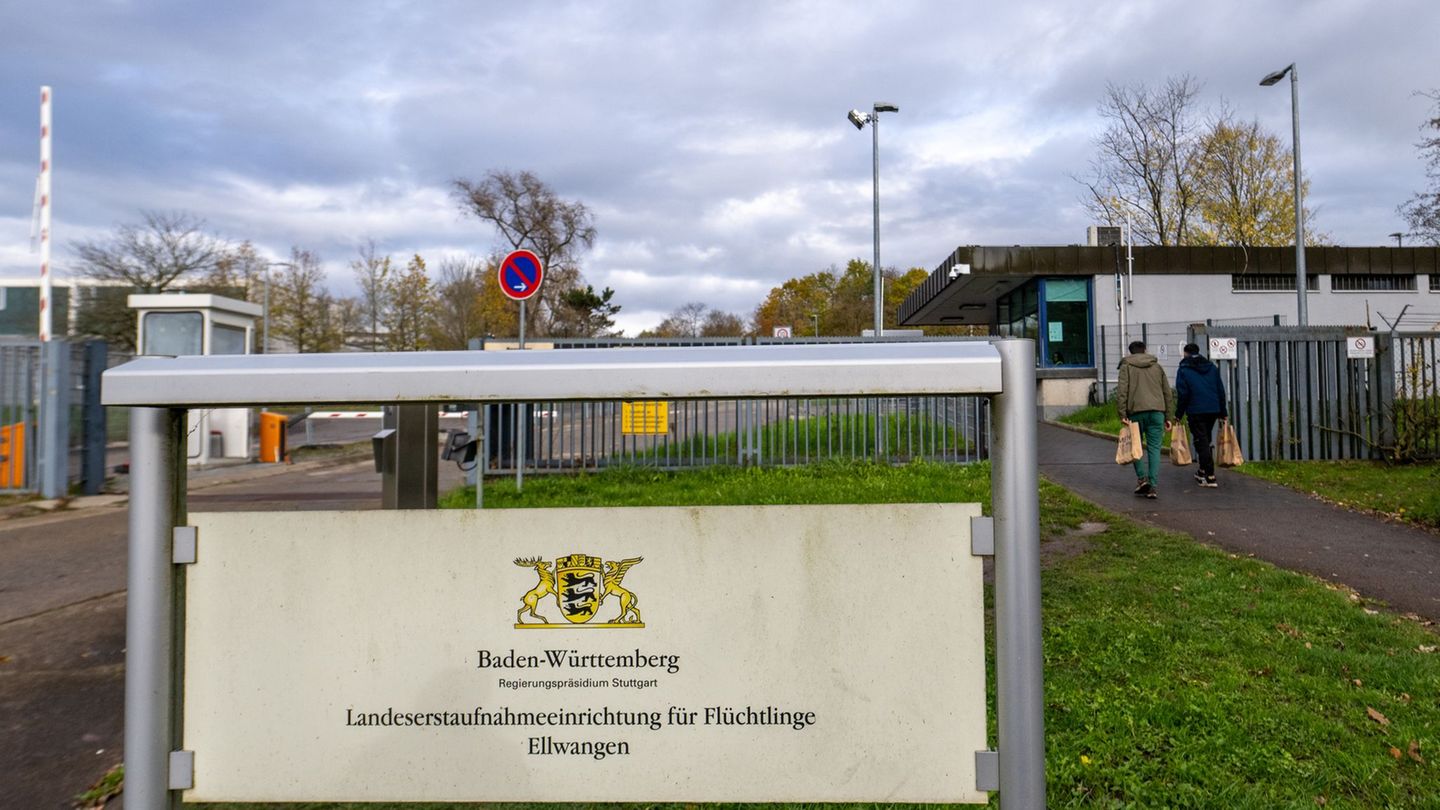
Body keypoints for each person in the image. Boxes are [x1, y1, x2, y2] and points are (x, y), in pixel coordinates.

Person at [1116, 340, 1174, 499]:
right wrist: (1168, 416)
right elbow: (1167, 393)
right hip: (1157, 413)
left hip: (1135, 413)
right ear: (1145, 350)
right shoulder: (1157, 367)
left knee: (1135, 446)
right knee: (1155, 449)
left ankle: (1142, 479)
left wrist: (1122, 414)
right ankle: (1153, 486)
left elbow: (1122, 392)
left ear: (1130, 352)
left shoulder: (1126, 367)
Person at [1175, 342, 1228, 488]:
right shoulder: (1211, 367)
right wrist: (1223, 412)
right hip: (1213, 408)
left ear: (1185, 353)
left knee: (1201, 441)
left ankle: (1210, 475)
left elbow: (1183, 394)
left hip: (1196, 409)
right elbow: (1220, 390)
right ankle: (1202, 470)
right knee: (1205, 438)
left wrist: (1178, 414)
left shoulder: (1184, 369)